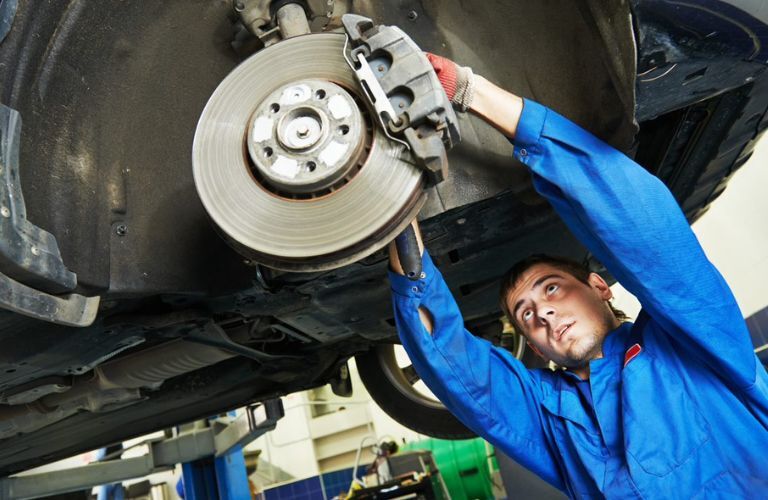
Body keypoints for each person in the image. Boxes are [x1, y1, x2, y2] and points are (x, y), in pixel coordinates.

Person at [387, 53, 768, 498]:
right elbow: (454, 365)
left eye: (552, 288)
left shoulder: (691, 345)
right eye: (525, 314)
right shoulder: (551, 419)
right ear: (532, 345)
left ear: (601, 287)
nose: (543, 312)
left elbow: (646, 235)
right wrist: (391, 192)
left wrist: (468, 90)